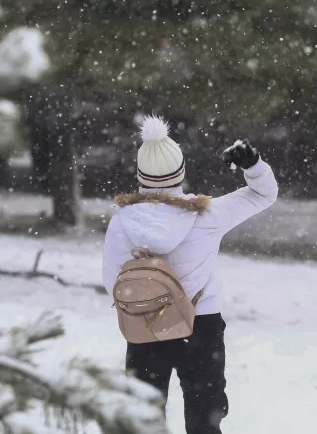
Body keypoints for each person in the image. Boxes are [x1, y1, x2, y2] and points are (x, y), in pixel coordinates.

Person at [102, 115, 278, 434]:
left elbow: (111, 282)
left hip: (144, 325)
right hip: (201, 324)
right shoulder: (209, 214)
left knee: (143, 416)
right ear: (180, 172)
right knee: (204, 415)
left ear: (141, 175)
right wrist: (253, 165)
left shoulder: (122, 223)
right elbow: (263, 195)